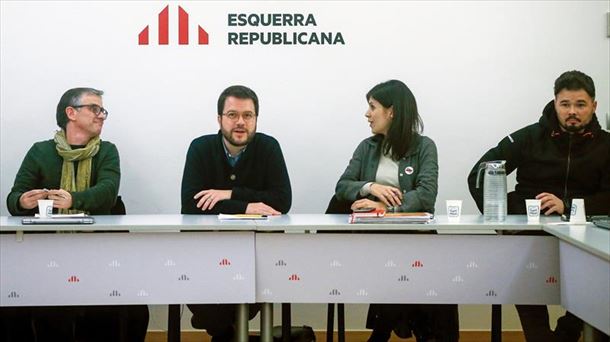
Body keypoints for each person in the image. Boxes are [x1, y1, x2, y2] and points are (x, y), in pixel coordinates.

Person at [467, 70, 610, 341]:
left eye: (580, 104)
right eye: (565, 104)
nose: (572, 111)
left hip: (586, 234)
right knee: (524, 267)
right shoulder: (530, 137)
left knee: (598, 276)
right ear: (554, 103)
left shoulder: (606, 145)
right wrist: (506, 215)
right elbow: (479, 174)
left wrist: (567, 205)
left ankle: (569, 330)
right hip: (532, 234)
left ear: (594, 105)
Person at [4, 87, 149, 341]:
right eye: (94, 109)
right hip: (47, 252)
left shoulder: (107, 151)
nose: (101, 115)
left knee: (135, 308)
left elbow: (107, 193)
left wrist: (74, 199)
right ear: (71, 113)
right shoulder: (40, 151)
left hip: (97, 251)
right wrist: (23, 201)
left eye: (103, 110)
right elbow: (14, 198)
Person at [335, 80, 459, 342]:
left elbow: (426, 196)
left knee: (418, 266)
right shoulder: (366, 148)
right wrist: (370, 186)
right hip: (374, 238)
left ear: (392, 111)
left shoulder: (424, 146)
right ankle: (399, 330)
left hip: (414, 236)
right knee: (396, 265)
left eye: (372, 107)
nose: (367, 114)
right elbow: (342, 187)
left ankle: (385, 331)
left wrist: (385, 206)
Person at [181, 85, 292, 341]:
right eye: (232, 115)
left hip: (256, 249)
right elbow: (191, 203)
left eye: (248, 115)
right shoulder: (200, 147)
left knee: (243, 301)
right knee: (206, 306)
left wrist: (228, 194)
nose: (240, 122)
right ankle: (229, 334)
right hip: (206, 250)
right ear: (219, 119)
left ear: (256, 119)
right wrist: (247, 206)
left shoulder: (268, 147)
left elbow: (281, 201)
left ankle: (228, 334)